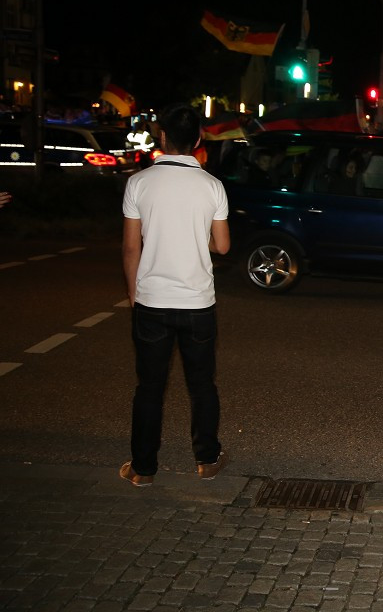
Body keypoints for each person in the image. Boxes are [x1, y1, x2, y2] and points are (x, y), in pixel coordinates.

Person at [119, 103, 231, 487]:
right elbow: (223, 246)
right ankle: (206, 459)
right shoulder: (212, 186)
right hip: (198, 302)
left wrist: (135, 294)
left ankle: (143, 468)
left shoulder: (139, 183)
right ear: (198, 140)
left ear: (162, 137)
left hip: (152, 301)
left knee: (150, 387)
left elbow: (131, 248)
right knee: (202, 384)